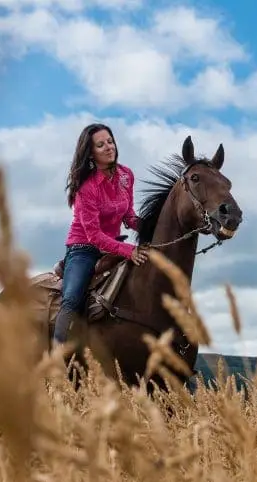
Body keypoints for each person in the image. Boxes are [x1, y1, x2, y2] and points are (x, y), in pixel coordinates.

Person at [53, 123, 149, 347]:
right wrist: (129, 250)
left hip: (114, 244)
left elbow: (128, 216)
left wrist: (149, 227)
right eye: (100, 144)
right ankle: (55, 357)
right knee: (71, 300)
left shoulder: (126, 175)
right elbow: (94, 235)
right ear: (90, 153)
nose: (109, 147)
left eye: (110, 141)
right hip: (84, 248)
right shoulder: (87, 188)